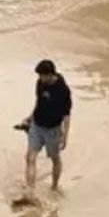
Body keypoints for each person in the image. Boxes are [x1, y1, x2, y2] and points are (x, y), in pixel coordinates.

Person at [21, 60, 73, 191]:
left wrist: (65, 136)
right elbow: (39, 103)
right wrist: (30, 118)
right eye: (39, 76)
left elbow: (66, 115)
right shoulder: (40, 83)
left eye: (43, 76)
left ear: (51, 74)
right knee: (30, 157)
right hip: (37, 125)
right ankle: (30, 191)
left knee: (55, 158)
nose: (40, 78)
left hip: (53, 129)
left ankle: (54, 187)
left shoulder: (63, 91)